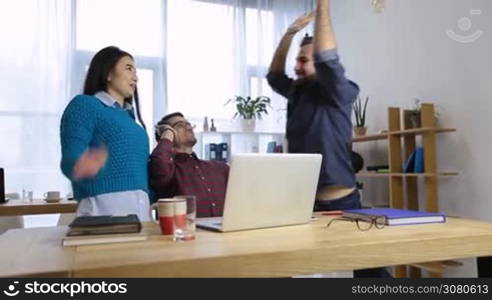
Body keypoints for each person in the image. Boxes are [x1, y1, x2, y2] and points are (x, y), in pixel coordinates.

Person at [266, 0, 360, 212]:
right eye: (297, 60)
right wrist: (290, 34)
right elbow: (274, 76)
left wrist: (322, 8)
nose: (297, 67)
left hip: (341, 205)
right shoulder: (296, 91)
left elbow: (325, 59)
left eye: (303, 61)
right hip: (303, 203)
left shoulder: (338, 92)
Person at [60, 46, 151, 221]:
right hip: (102, 212)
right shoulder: (85, 105)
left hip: (142, 213)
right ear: (108, 73)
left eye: (136, 71)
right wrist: (82, 165)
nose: (135, 77)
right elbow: (70, 159)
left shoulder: (132, 122)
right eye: (128, 68)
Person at [149, 112, 229, 217]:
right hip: (183, 231)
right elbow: (159, 165)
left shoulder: (220, 168)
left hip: (227, 232)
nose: (188, 127)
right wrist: (167, 135)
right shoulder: (169, 170)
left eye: (189, 124)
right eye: (180, 125)